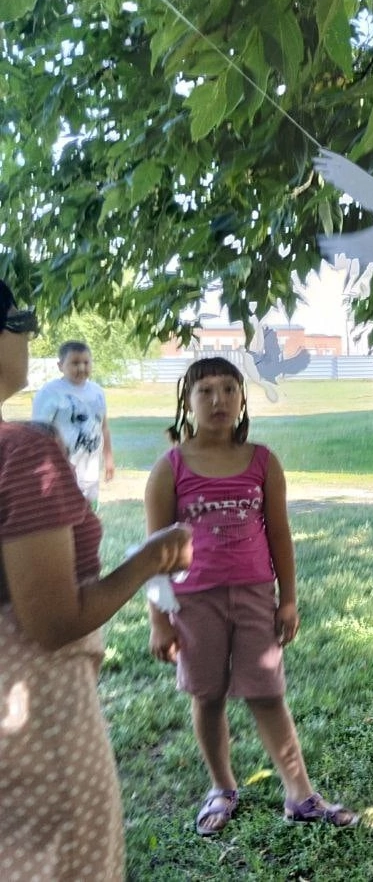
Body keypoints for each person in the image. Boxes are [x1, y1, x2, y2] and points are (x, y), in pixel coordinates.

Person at [0, 278, 192, 881]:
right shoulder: (21, 454)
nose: (27, 336)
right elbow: (54, 622)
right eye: (20, 321)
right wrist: (149, 557)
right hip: (35, 717)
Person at [144, 357, 356, 835]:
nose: (217, 400)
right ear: (187, 402)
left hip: (257, 595)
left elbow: (279, 534)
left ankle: (300, 794)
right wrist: (158, 620)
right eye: (205, 391)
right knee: (209, 694)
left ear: (243, 400)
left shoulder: (262, 461)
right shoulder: (170, 468)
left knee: (267, 693)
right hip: (194, 602)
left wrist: (288, 598)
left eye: (228, 389)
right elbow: (153, 552)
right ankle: (221, 787)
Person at [33, 339, 114, 506]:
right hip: (61, 469)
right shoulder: (50, 392)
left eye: (86, 362)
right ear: (60, 365)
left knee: (89, 513)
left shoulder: (97, 392)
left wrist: (108, 458)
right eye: (75, 363)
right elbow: (38, 433)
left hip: (90, 466)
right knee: (66, 513)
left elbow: (103, 427)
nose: (82, 368)